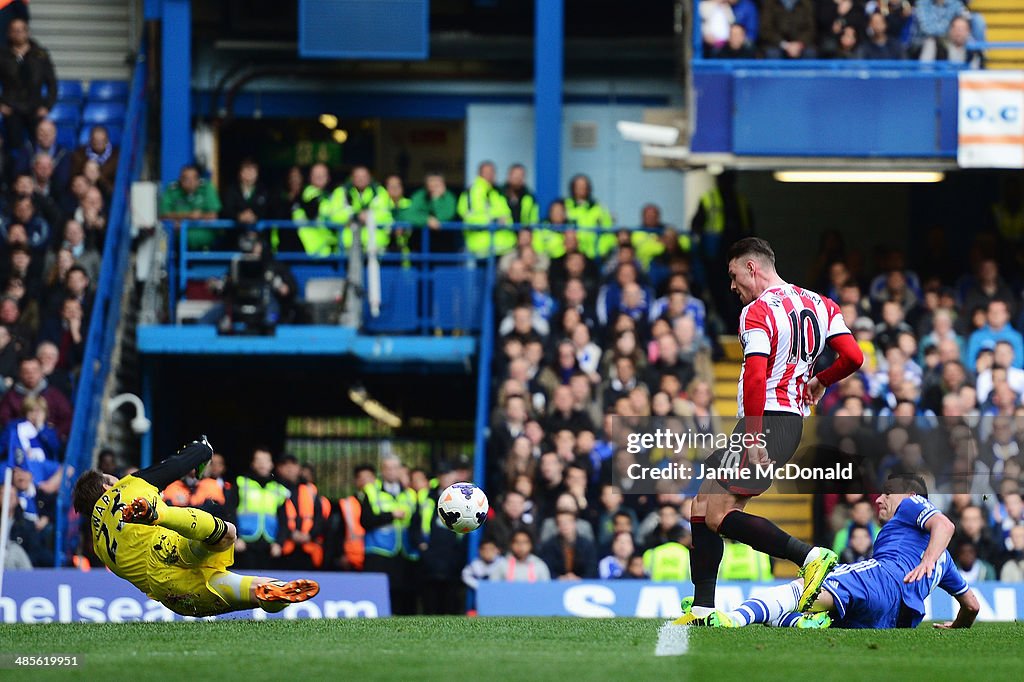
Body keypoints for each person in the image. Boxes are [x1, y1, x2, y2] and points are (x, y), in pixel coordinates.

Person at [678, 237, 864, 625]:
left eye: (733, 276)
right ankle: (702, 609)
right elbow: (854, 357)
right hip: (787, 420)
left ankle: (809, 557)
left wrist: (752, 437)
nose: (732, 286)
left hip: (766, 422)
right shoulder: (820, 303)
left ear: (751, 268)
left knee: (717, 514)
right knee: (702, 504)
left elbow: (757, 375)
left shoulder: (757, 312)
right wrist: (823, 380)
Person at [688, 475, 979, 630]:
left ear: (912, 496)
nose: (880, 498)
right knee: (798, 613)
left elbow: (944, 523)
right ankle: (798, 622)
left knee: (800, 590)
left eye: (889, 492)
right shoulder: (946, 561)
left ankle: (732, 620)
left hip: (882, 580)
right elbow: (972, 606)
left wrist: (927, 560)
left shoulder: (913, 505)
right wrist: (957, 626)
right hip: (890, 619)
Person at [71, 437, 320, 617]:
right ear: (106, 486)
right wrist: (203, 449)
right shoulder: (125, 488)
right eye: (113, 480)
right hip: (169, 546)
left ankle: (272, 591)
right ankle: (162, 515)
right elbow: (182, 462)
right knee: (226, 530)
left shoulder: (99, 544)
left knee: (249, 592)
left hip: (168, 590)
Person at [358, 454, 418, 614]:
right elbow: (365, 521)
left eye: (395, 468)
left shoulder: (410, 494)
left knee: (402, 595)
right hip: (379, 552)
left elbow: (416, 522)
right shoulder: (371, 491)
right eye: (388, 468)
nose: (391, 472)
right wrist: (391, 515)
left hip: (403, 552)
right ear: (382, 471)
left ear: (400, 470)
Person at [0, 19, 55, 147]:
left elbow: (52, 83)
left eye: (21, 30)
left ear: (27, 32)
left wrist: (47, 106)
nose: (18, 33)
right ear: (9, 33)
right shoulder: (2, 55)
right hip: (11, 108)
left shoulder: (40, 54)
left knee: (37, 146)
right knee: (13, 148)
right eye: (15, 30)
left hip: (35, 108)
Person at [233, 446, 289, 569]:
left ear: (271, 464)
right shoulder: (241, 483)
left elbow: (284, 519)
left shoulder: (278, 489)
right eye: (259, 460)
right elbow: (230, 513)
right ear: (253, 463)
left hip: (269, 545)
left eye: (266, 461)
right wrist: (235, 538)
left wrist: (279, 543)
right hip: (244, 544)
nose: (262, 464)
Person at [159, 165, 223, 250]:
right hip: (178, 243)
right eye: (186, 179)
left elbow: (213, 215)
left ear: (198, 180)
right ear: (180, 180)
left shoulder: (206, 187)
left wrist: (199, 216)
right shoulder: (172, 189)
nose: (190, 182)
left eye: (194, 179)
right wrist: (188, 216)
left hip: (208, 242)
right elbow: (163, 215)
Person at [458, 161, 513, 257]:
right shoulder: (472, 192)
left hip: (504, 247)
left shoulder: (497, 193)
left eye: (492, 172)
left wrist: (503, 221)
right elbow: (469, 218)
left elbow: (508, 217)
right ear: (479, 174)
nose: (490, 175)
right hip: (483, 248)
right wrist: (494, 221)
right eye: (486, 172)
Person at [406, 171, 460, 253]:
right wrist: (426, 220)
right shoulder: (419, 195)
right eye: (431, 184)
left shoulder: (449, 197)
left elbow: (446, 216)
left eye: (437, 185)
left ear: (443, 185)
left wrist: (436, 199)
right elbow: (409, 214)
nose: (434, 188)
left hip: (444, 243)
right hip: (420, 242)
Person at [70, 125, 119, 196]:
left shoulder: (116, 157)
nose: (99, 144)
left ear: (107, 140)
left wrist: (98, 177)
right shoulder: (79, 155)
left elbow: (115, 188)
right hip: (84, 195)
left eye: (102, 141)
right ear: (90, 140)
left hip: (107, 196)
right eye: (96, 141)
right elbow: (74, 178)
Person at [220, 158, 269, 227]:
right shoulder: (231, 190)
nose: (249, 174)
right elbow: (226, 209)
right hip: (235, 232)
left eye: (252, 171)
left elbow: (268, 209)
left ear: (257, 173)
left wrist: (255, 216)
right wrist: (239, 216)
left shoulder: (263, 190)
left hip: (258, 232)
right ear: (240, 173)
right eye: (246, 170)